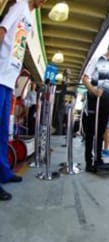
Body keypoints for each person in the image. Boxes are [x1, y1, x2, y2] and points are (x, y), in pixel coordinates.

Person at [0, 0, 47, 201]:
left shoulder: (28, 16)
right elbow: (2, 29)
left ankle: (3, 172)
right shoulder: (19, 5)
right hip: (0, 76)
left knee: (3, 132)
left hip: (9, 80)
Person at [81, 39, 109, 172]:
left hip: (106, 101)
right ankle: (89, 162)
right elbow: (85, 78)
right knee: (90, 132)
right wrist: (93, 91)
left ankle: (98, 159)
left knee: (100, 132)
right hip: (94, 100)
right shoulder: (96, 59)